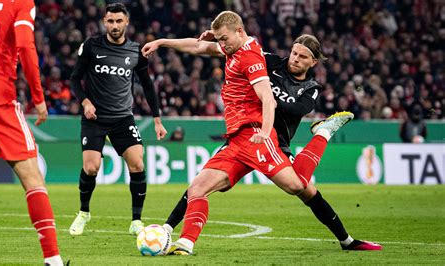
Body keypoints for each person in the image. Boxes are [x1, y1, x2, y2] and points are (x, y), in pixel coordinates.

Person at [142, 11, 355, 255]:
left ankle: (323, 134)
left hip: (258, 136)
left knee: (298, 186)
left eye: (224, 39)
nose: (221, 45)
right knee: (197, 188)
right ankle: (185, 243)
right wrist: (162, 42)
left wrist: (265, 132)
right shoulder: (244, 51)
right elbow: (200, 46)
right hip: (237, 139)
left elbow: (267, 98)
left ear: (239, 32)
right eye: (219, 40)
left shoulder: (256, 61)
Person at [0, 1, 63, 265]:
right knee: (33, 178)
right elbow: (25, 45)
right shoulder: (19, 3)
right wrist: (38, 96)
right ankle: (52, 259)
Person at [69, 3, 167, 236]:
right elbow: (74, 79)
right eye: (110, 21)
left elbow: (147, 85)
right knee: (91, 168)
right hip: (95, 118)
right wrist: (85, 101)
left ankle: (136, 221)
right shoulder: (92, 46)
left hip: (123, 118)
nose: (114, 25)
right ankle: (83, 213)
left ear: (126, 22)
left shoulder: (136, 51)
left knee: (138, 164)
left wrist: (157, 118)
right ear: (104, 21)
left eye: (119, 21)